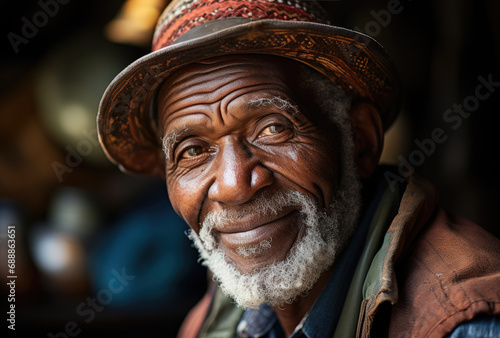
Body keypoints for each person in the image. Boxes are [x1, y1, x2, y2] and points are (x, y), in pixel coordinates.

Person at [97, 0, 500, 337]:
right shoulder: (217, 319)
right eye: (192, 151)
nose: (235, 185)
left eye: (273, 128)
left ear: (359, 140)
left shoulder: (460, 320)